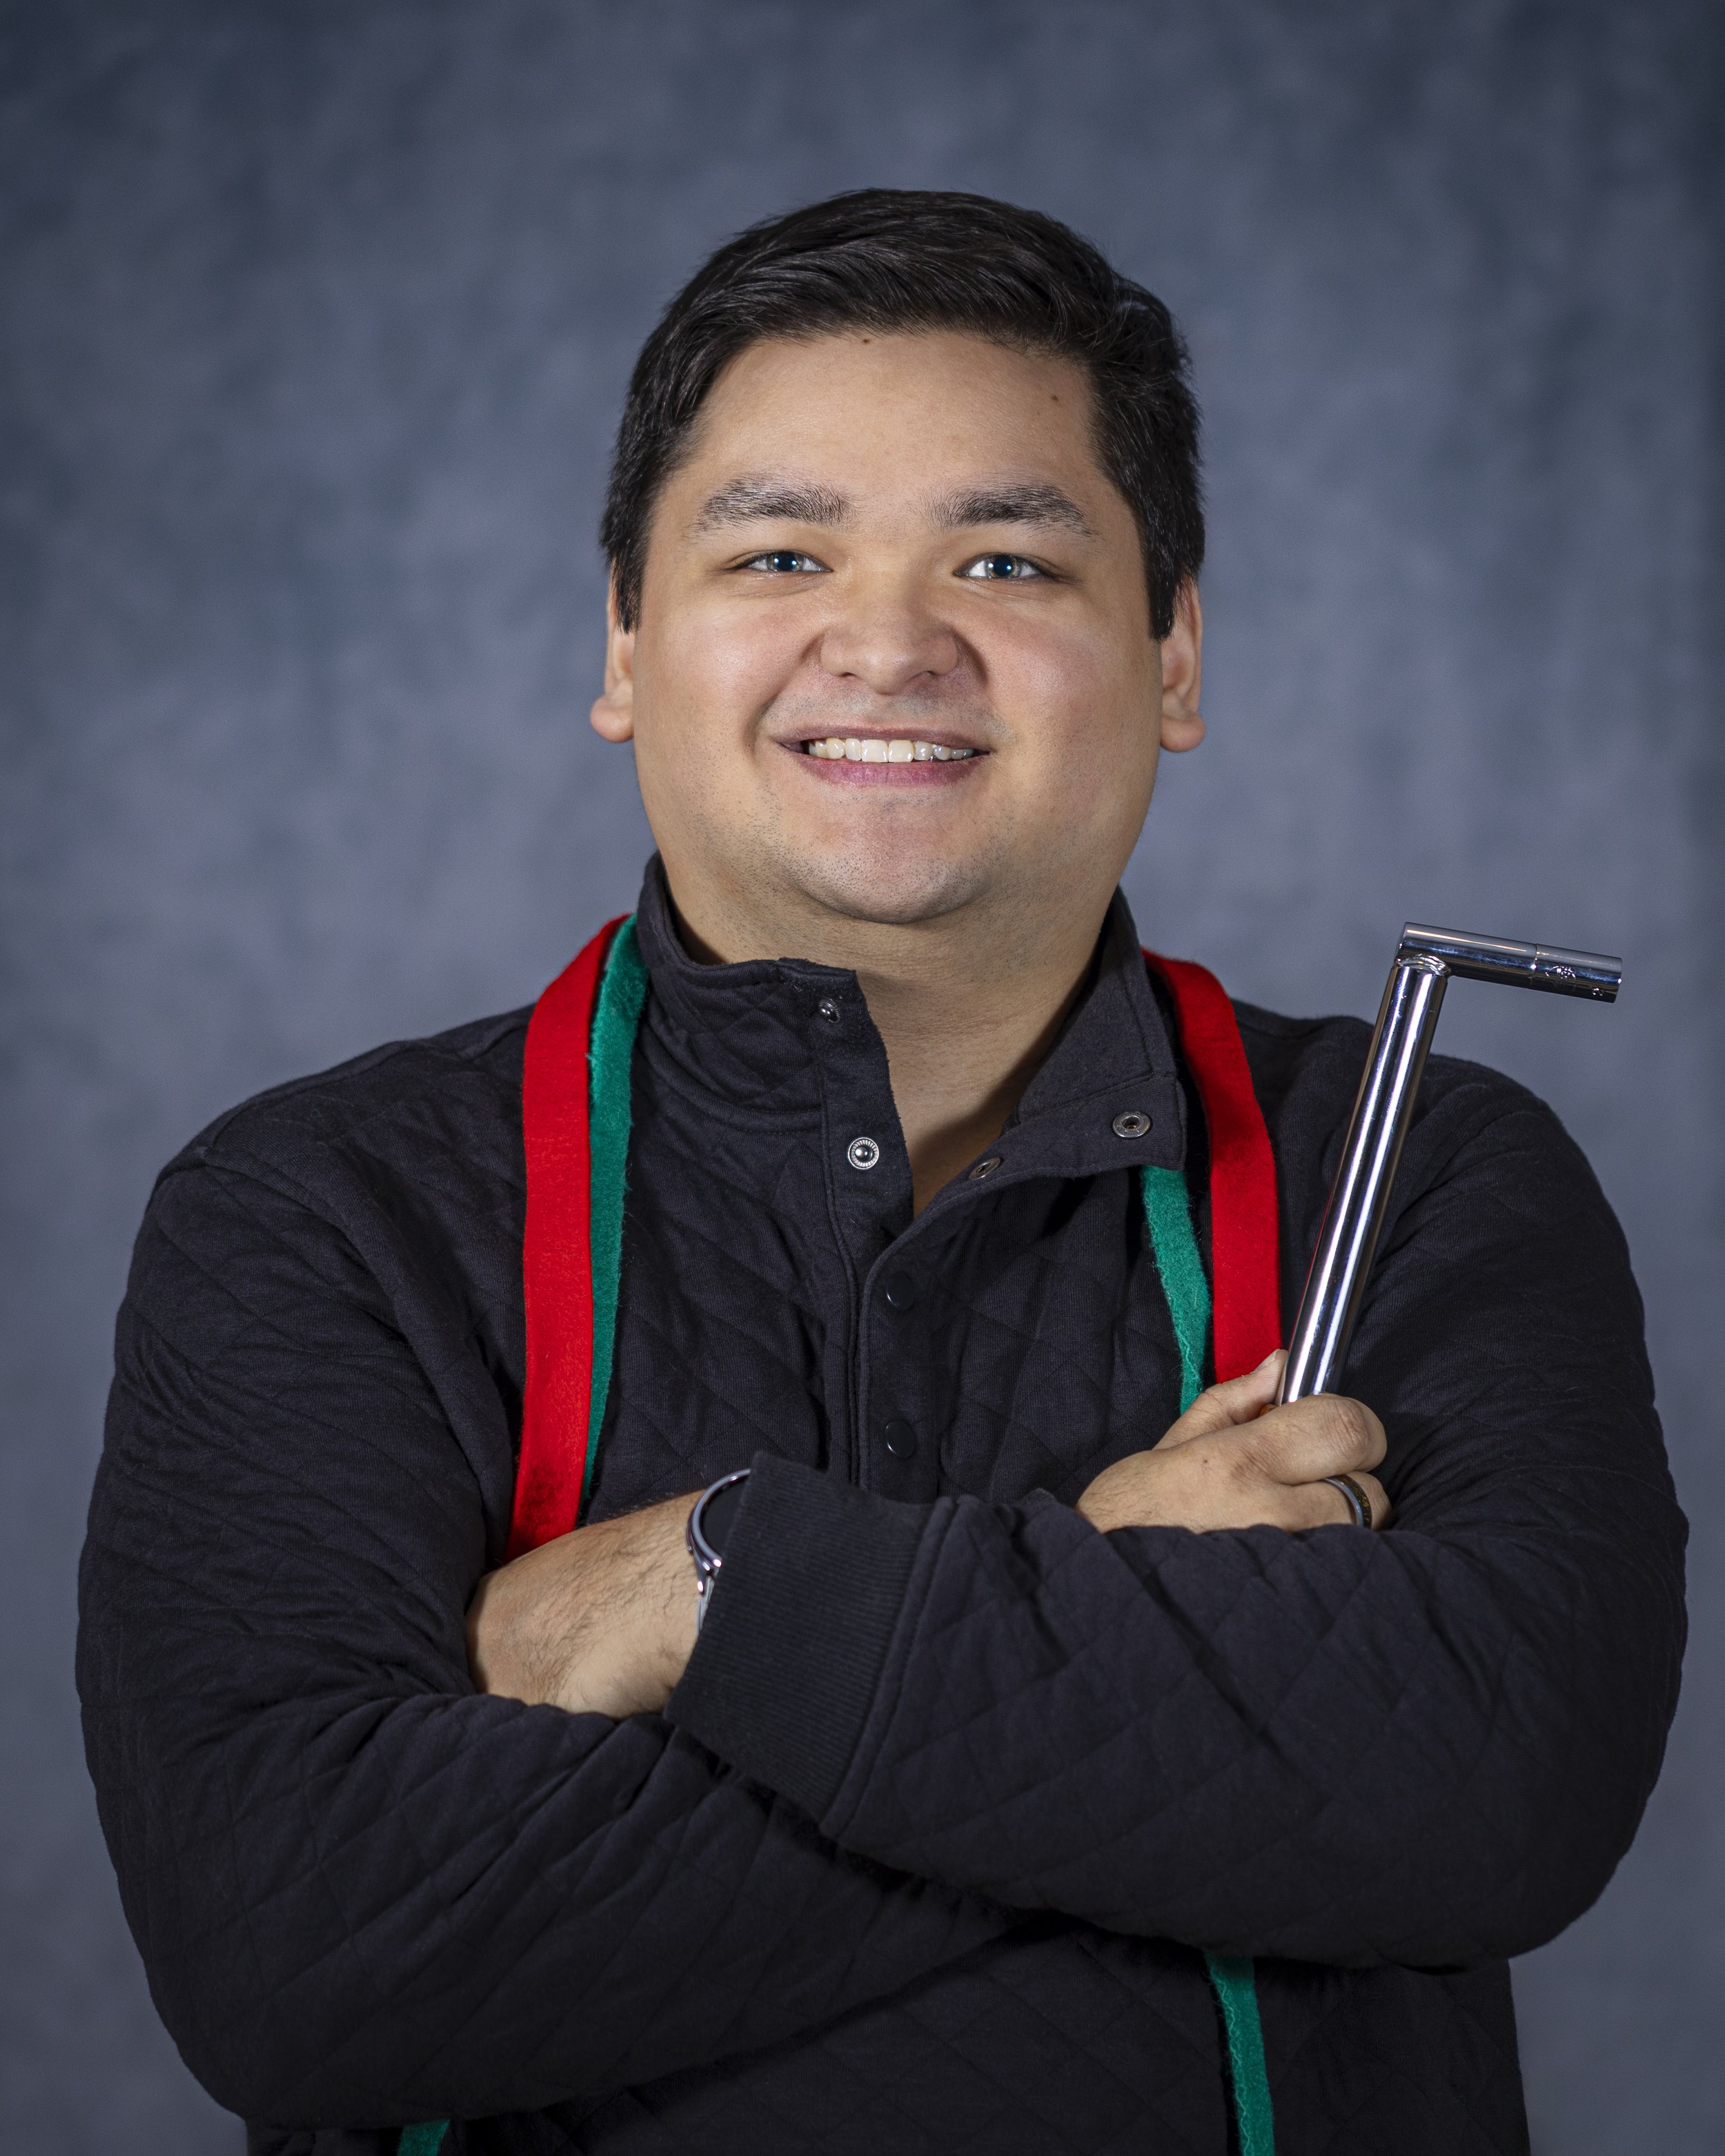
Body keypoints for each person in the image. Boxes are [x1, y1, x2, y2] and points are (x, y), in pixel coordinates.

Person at [78, 190, 1684, 2156]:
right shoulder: (321, 1211)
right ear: (626, 645)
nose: (889, 642)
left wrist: (706, 1581)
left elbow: (1482, 1798)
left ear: (1170, 656)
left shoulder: (1419, 1167)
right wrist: (1119, 1604)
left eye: (1004, 556)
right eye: (779, 550)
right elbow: (313, 1954)